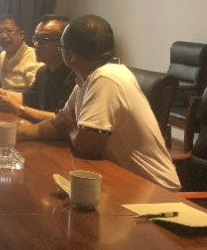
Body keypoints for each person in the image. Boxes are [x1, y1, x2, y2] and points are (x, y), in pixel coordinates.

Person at [16, 14, 180, 190]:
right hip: (123, 181)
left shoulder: (106, 78)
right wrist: (18, 133)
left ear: (70, 55)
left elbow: (88, 145)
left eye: (61, 47)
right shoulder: (86, 79)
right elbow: (59, 123)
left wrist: (70, 129)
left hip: (155, 191)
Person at [0, 15, 76, 122]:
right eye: (36, 38)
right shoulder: (43, 72)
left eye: (45, 39)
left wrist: (18, 109)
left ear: (64, 44)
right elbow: (25, 98)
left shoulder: (74, 77)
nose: (36, 44)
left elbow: (63, 120)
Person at [0, 14, 41, 91]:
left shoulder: (33, 56)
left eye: (9, 31)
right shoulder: (2, 56)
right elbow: (3, 87)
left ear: (21, 35)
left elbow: (37, 92)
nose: (4, 36)